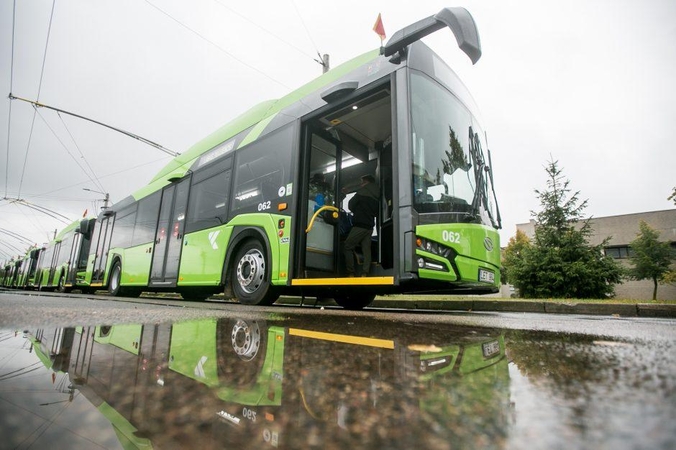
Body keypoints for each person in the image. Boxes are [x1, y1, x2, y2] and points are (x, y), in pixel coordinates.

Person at [343, 174, 379, 276]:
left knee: (347, 246)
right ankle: (365, 272)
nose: (361, 184)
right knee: (366, 250)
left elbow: (350, 205)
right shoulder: (377, 195)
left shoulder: (361, 193)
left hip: (359, 225)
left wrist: (357, 211)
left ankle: (350, 272)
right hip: (369, 227)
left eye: (363, 182)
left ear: (367, 182)